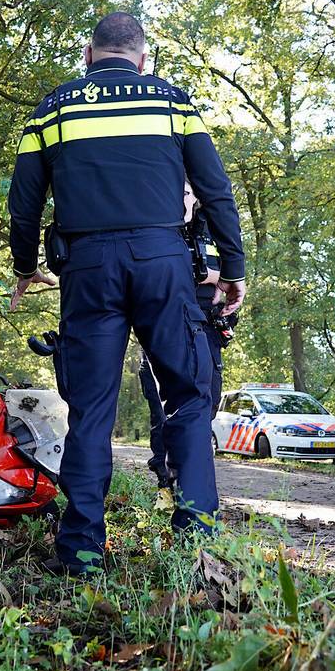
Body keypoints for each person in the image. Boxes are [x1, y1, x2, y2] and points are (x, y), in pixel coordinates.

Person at [8, 12, 247, 573]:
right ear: (143, 59)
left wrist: (24, 266)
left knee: (89, 410)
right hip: (162, 263)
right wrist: (232, 266)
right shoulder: (174, 103)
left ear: (89, 56)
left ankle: (82, 550)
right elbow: (215, 190)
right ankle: (196, 537)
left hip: (87, 269)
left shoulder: (53, 108)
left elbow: (24, 203)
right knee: (188, 394)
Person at [140, 182, 233, 488]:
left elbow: (232, 278)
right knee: (163, 412)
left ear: (196, 197)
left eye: (186, 192)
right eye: (175, 191)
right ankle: (166, 485)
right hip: (163, 329)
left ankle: (191, 485)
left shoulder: (215, 229)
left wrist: (213, 276)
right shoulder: (154, 226)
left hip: (207, 330)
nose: (181, 198)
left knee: (204, 409)